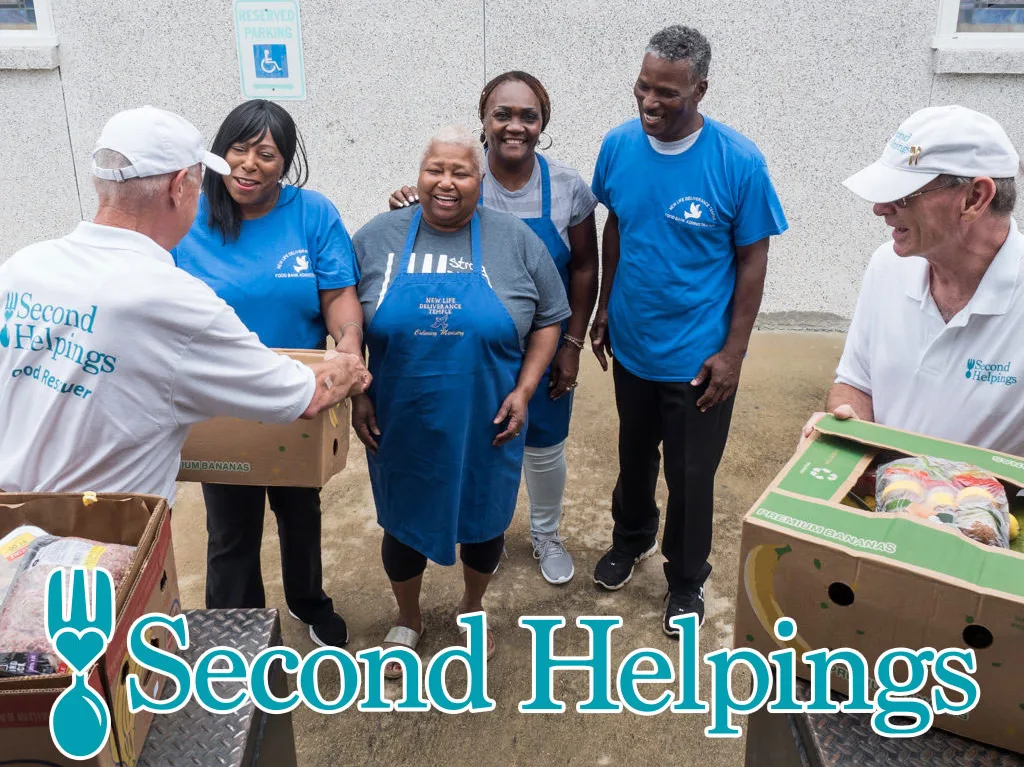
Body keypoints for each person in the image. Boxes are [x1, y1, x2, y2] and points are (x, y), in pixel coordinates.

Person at [0, 108, 369, 519]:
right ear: (179, 187)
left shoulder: (21, 268)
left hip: (10, 524)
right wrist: (348, 372)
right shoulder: (177, 299)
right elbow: (305, 395)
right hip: (107, 529)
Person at [589, 25, 788, 636]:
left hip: (700, 355)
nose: (651, 102)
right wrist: (603, 306)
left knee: (691, 473)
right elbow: (617, 225)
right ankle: (632, 539)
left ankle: (685, 578)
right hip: (634, 341)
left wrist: (733, 352)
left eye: (668, 93)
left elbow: (753, 259)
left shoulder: (739, 162)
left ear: (700, 89)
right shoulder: (619, 146)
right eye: (643, 88)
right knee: (633, 452)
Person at [352, 125, 569, 671]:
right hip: (402, 418)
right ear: (418, 175)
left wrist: (525, 389)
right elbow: (342, 315)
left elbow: (549, 316)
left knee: (484, 523)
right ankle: (409, 617)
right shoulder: (378, 236)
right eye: (435, 169)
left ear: (481, 179)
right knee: (401, 524)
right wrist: (356, 391)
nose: (446, 182)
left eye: (461, 171)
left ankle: (473, 608)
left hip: (488, 419)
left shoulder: (515, 239)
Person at [388, 71, 599, 586]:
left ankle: (546, 533)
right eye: (502, 114)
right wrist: (404, 207)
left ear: (543, 122)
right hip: (474, 346)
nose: (515, 126)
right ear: (484, 118)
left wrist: (570, 344)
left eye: (528, 115)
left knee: (544, 445)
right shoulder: (462, 177)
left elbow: (585, 267)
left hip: (542, 345)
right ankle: (487, 532)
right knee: (481, 448)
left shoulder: (567, 185)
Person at [173, 100, 363, 648]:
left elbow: (338, 295)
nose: (249, 164)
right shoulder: (190, 216)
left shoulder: (313, 214)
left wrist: (348, 345)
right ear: (219, 151)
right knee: (230, 527)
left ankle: (309, 602)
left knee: (300, 510)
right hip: (221, 397)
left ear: (286, 163)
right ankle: (234, 633)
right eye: (239, 148)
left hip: (301, 390)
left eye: (266, 153)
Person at [803, 105, 1024, 458]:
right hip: (886, 505)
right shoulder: (887, 266)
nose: (880, 208)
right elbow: (856, 385)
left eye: (903, 195)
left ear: (975, 198)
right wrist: (845, 429)